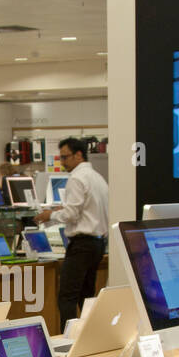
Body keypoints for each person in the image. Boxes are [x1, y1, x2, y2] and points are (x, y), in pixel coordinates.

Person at [36, 137, 109, 324]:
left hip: (82, 245)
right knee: (86, 296)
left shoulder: (77, 178)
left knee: (66, 297)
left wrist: (49, 216)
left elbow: (71, 215)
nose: (62, 163)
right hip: (98, 243)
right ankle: (88, 338)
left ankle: (68, 342)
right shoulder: (98, 178)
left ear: (78, 155)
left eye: (65, 157)